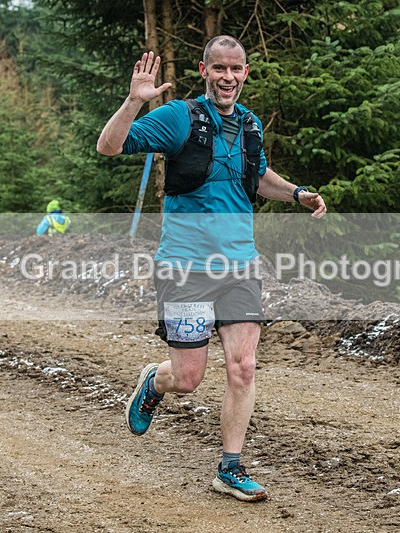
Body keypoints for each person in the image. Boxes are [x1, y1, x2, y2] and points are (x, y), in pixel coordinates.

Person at [97, 36, 326, 501]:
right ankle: (154, 382)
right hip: (185, 270)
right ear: (205, 71)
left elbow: (258, 177)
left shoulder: (250, 123)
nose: (228, 77)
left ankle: (230, 467)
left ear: (245, 73)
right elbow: (109, 145)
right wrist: (132, 101)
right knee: (188, 379)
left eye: (236, 69)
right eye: (218, 68)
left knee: (243, 367)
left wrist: (298, 193)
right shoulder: (179, 116)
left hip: (240, 266)